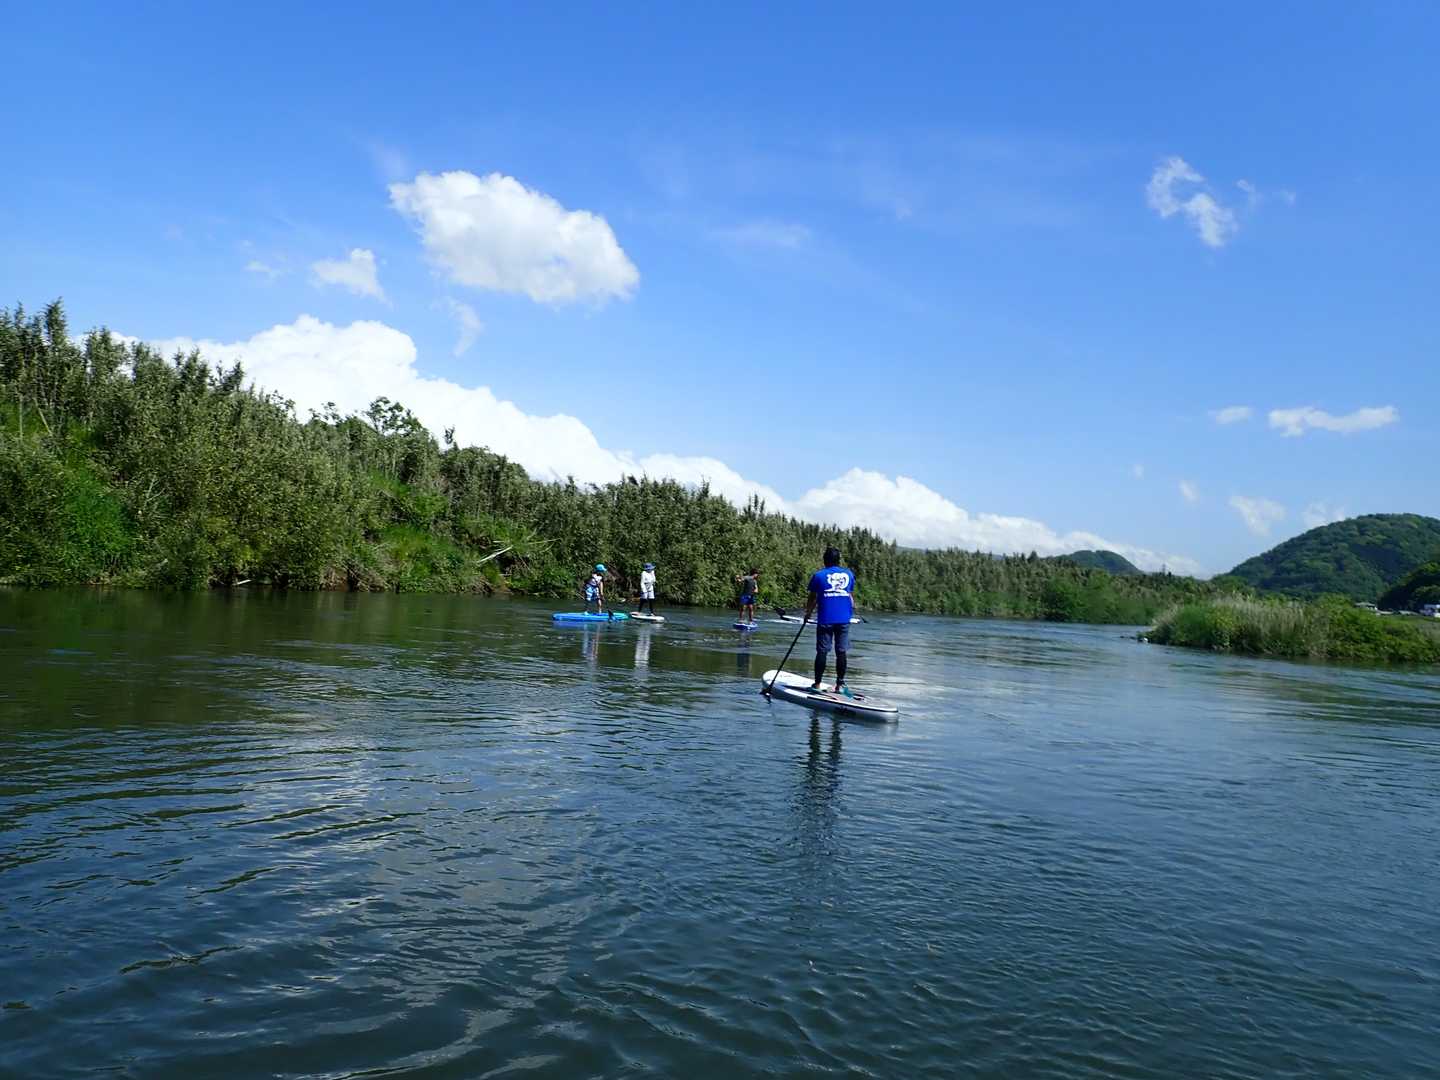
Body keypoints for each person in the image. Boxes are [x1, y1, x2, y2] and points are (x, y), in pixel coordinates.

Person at [804, 546, 855, 695]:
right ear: (838, 560)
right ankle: (840, 686)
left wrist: (808, 613)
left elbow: (812, 597)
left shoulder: (819, 575)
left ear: (825, 560)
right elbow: (850, 597)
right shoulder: (849, 574)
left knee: (822, 651)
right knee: (841, 651)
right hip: (844, 619)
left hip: (826, 618)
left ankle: (817, 685)